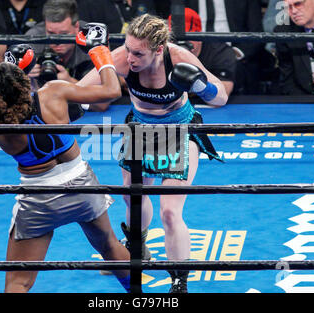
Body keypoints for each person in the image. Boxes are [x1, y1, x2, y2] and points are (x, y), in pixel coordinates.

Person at [78, 13, 227, 293]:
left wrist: (201, 86)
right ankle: (138, 245)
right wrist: (71, 105)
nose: (130, 57)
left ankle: (179, 282)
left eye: (138, 52)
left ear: (159, 49)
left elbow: (221, 97)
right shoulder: (121, 58)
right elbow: (80, 91)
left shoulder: (179, 57)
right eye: (128, 48)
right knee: (132, 196)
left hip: (180, 129)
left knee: (170, 211)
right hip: (141, 128)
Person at [0, 23, 131, 293]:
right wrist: (98, 49)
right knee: (110, 247)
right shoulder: (54, 93)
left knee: (18, 281)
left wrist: (12, 72)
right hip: (82, 184)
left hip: (39, 198)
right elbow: (111, 91)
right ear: (22, 82)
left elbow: (7, 103)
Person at [168, 7, 237, 97]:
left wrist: (195, 81)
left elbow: (223, 94)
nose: (182, 43)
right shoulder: (160, 52)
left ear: (199, 37)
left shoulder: (220, 52)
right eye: (175, 39)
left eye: (188, 37)